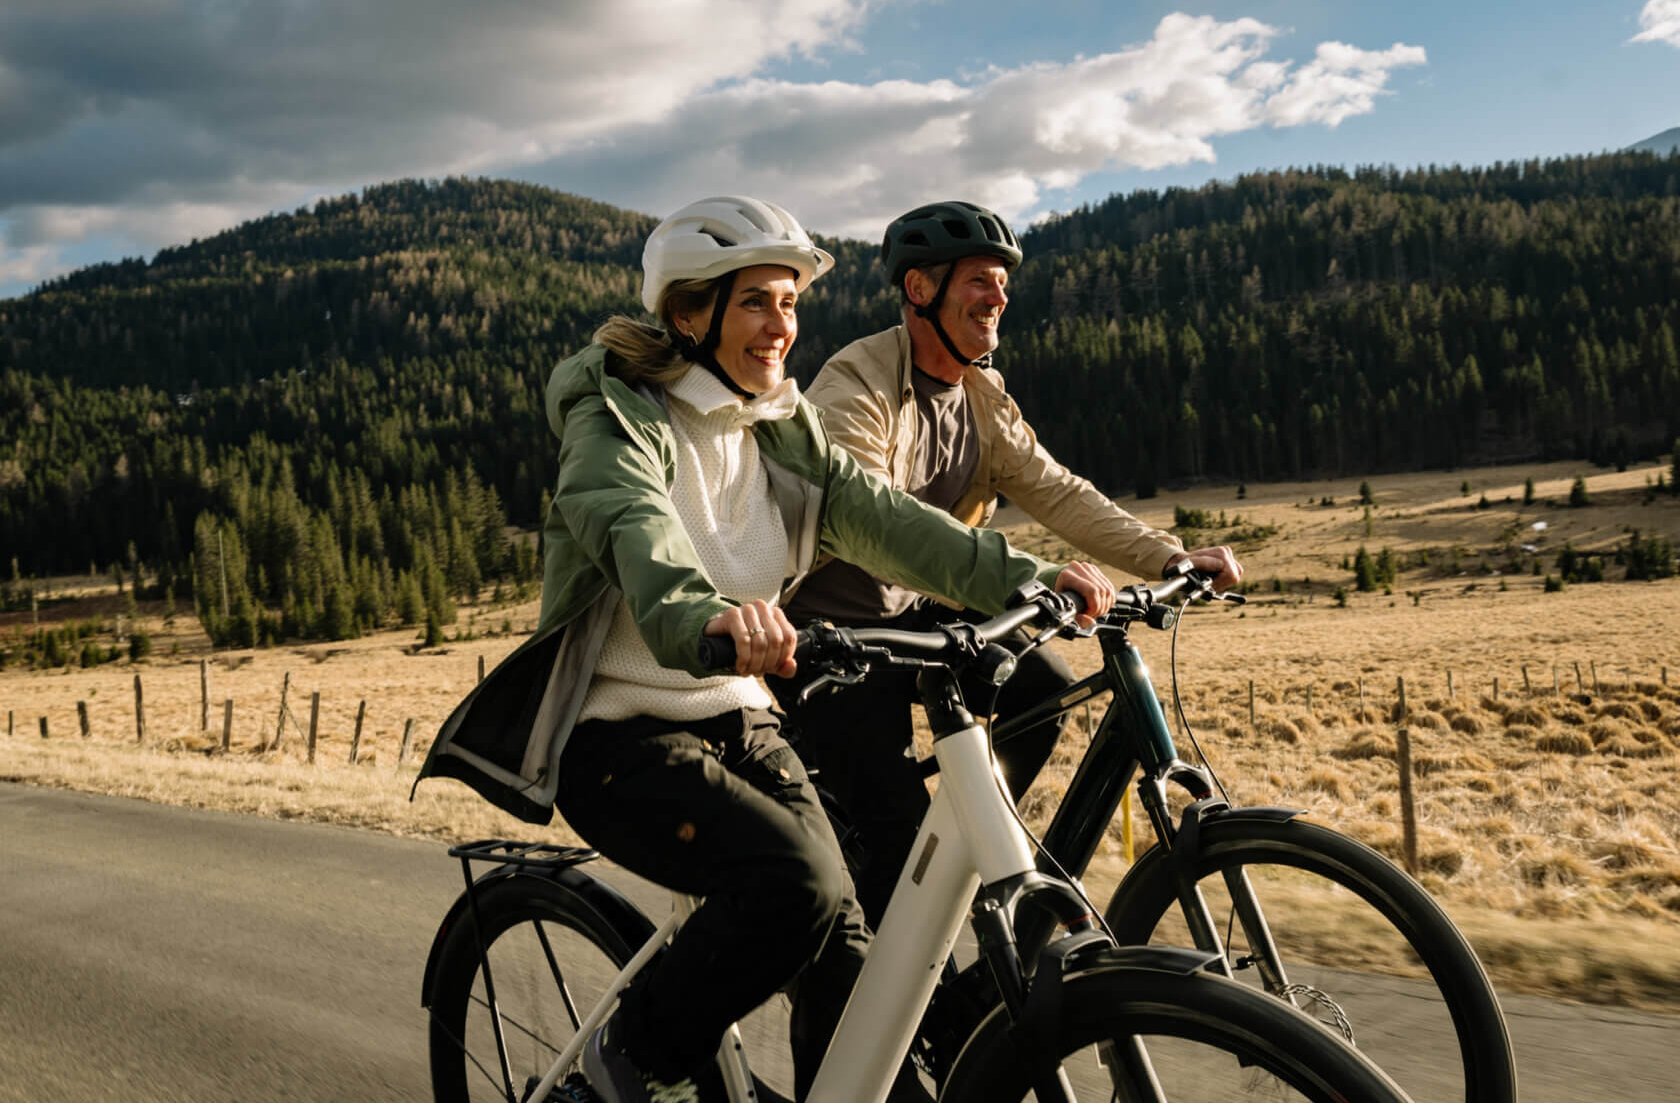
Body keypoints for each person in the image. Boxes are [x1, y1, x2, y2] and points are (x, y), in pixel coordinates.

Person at [416, 195, 1115, 1103]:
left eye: (790, 303)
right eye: (756, 303)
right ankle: (615, 1072)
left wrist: (1025, 579)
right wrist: (704, 617)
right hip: (621, 734)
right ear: (688, 312)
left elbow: (888, 520)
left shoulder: (780, 423)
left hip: (741, 719)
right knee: (799, 888)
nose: (781, 327)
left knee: (857, 965)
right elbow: (637, 531)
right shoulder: (615, 418)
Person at [775, 200, 1242, 926]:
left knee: (1040, 687)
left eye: (1002, 284)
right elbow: (877, 522)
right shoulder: (854, 385)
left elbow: (1056, 489)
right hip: (834, 639)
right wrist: (1029, 575)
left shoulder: (981, 393)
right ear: (920, 290)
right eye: (980, 282)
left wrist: (1170, 557)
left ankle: (976, 853)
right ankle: (885, 947)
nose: (998, 299)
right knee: (893, 863)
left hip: (918, 608)